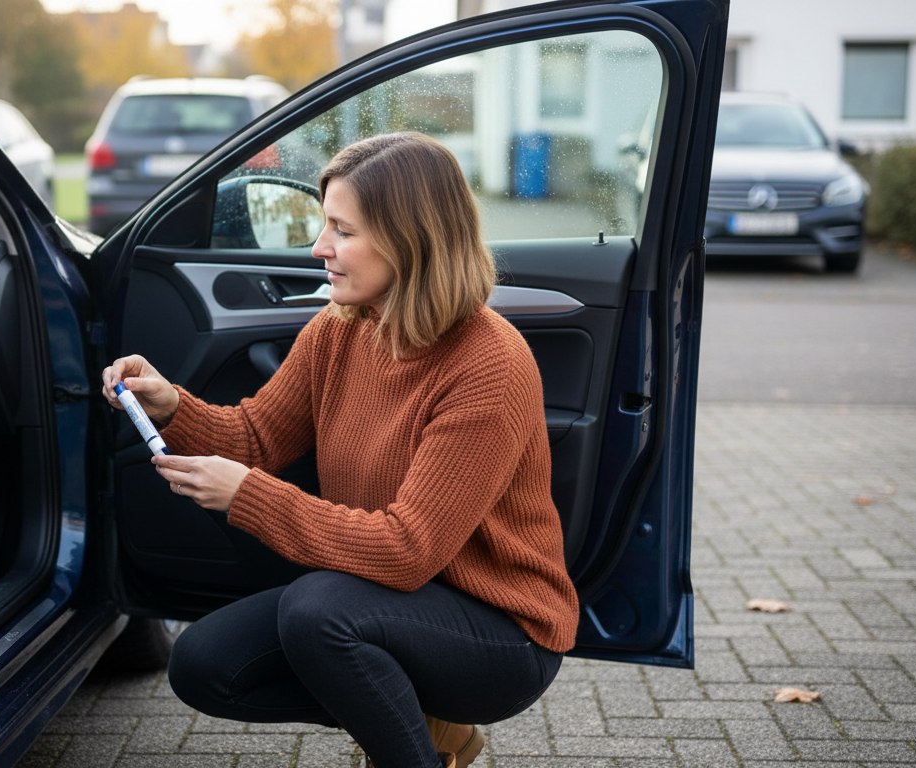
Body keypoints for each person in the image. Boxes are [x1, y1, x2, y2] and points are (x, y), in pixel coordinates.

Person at [101, 132, 578, 768]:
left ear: (411, 239)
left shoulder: (488, 363)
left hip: (498, 630)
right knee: (204, 665)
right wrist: (169, 404)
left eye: (342, 230)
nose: (319, 247)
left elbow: (408, 551)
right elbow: (258, 436)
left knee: (318, 611)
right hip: (387, 603)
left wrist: (248, 495)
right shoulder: (341, 328)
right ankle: (432, 731)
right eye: (325, 224)